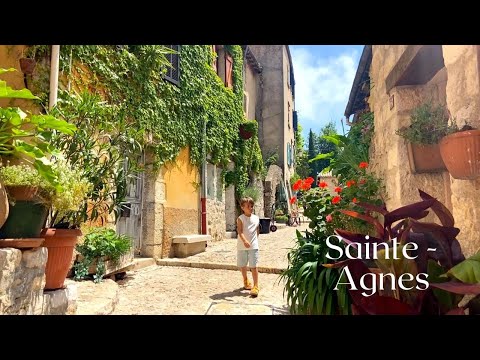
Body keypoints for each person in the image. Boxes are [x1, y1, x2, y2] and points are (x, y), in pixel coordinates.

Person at [237, 196, 260, 297]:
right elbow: (240, 231)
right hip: (242, 246)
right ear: (242, 207)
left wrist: (254, 241)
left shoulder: (256, 218)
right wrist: (245, 241)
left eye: (251, 206)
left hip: (253, 246)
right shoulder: (240, 219)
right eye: (248, 206)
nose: (250, 208)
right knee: (243, 265)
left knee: (254, 266)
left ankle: (255, 286)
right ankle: (246, 281)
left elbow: (257, 231)